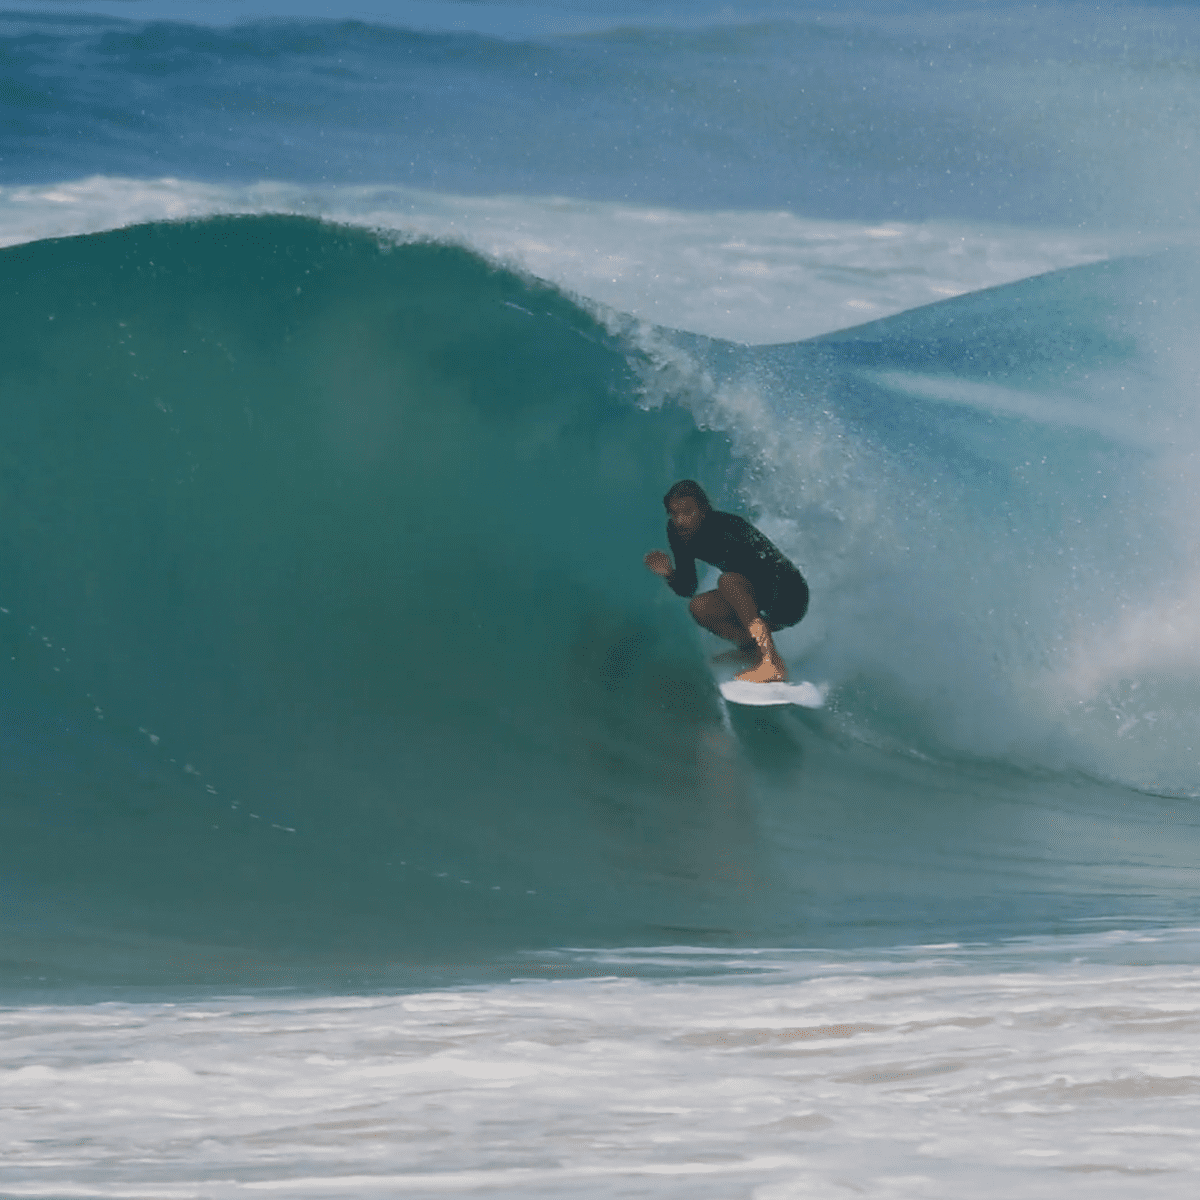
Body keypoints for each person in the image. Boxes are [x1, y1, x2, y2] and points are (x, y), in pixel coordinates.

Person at [643, 480, 808, 683]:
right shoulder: (679, 533)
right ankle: (750, 651)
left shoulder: (728, 530)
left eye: (688, 512)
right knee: (700, 607)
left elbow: (771, 575)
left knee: (729, 582)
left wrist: (763, 621)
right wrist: (669, 573)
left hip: (790, 596)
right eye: (674, 513)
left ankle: (771, 661)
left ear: (703, 510)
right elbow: (689, 588)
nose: (680, 520)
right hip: (757, 596)